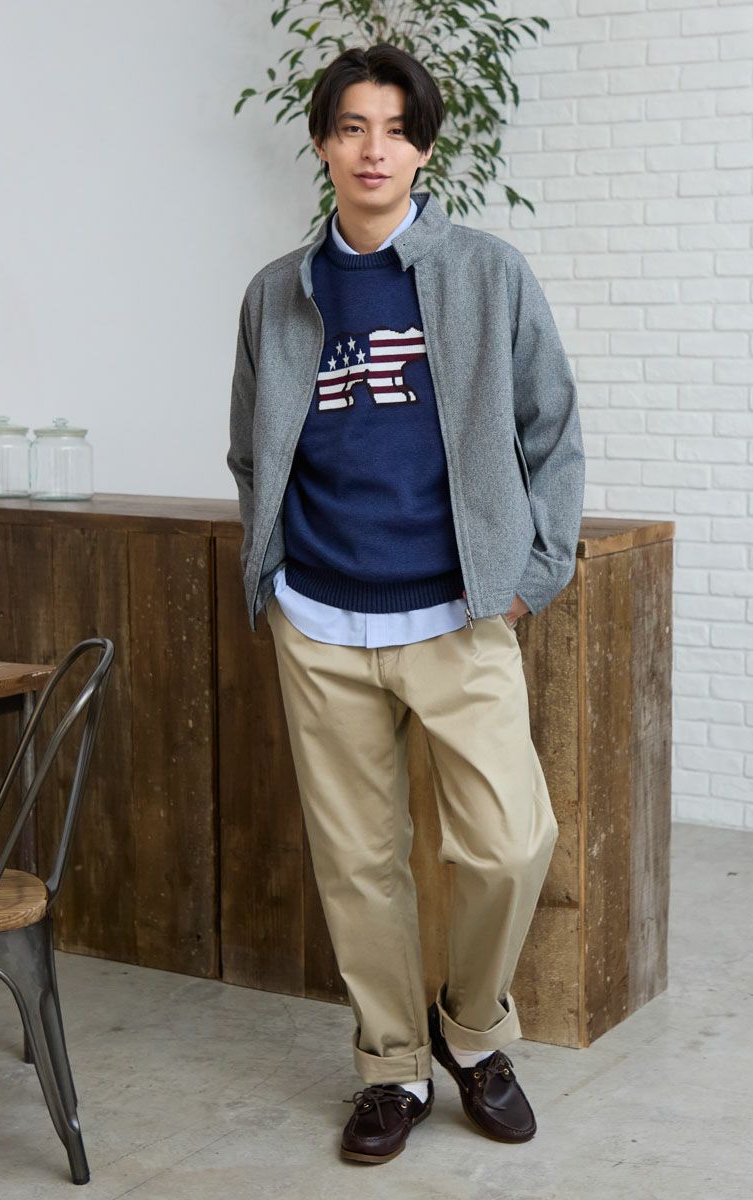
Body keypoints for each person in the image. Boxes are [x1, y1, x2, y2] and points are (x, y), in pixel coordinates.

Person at [227, 42, 585, 1165]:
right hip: (320, 619)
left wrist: (533, 576)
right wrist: (272, 578)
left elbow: (552, 430)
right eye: (352, 128)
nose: (372, 150)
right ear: (324, 144)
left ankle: (470, 1033)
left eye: (394, 130)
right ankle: (391, 1066)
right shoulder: (277, 292)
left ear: (424, 148)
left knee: (512, 844)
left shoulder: (486, 272)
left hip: (459, 615)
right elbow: (251, 451)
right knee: (359, 864)